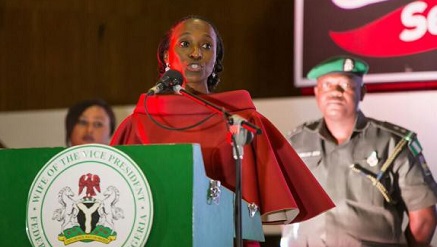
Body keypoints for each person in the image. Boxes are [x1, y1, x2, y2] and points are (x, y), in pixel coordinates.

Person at [110, 15, 334, 245]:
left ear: (215, 58)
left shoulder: (241, 120)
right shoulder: (140, 122)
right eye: (185, 44)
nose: (196, 53)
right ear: (167, 55)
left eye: (206, 46)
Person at [282, 55, 437, 246]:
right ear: (316, 92)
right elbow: (281, 209)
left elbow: (423, 218)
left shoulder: (393, 143)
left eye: (345, 85)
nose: (335, 92)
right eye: (327, 85)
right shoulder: (292, 144)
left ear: (362, 92)